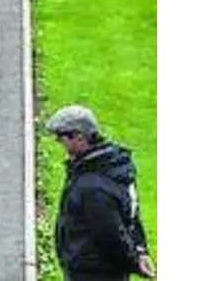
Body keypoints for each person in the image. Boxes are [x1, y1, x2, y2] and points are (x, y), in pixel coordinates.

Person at [46, 105, 156, 281]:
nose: (59, 143)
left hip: (93, 272)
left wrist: (135, 261)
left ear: (79, 137)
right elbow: (132, 213)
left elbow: (110, 235)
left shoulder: (93, 186)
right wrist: (140, 250)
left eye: (61, 138)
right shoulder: (116, 166)